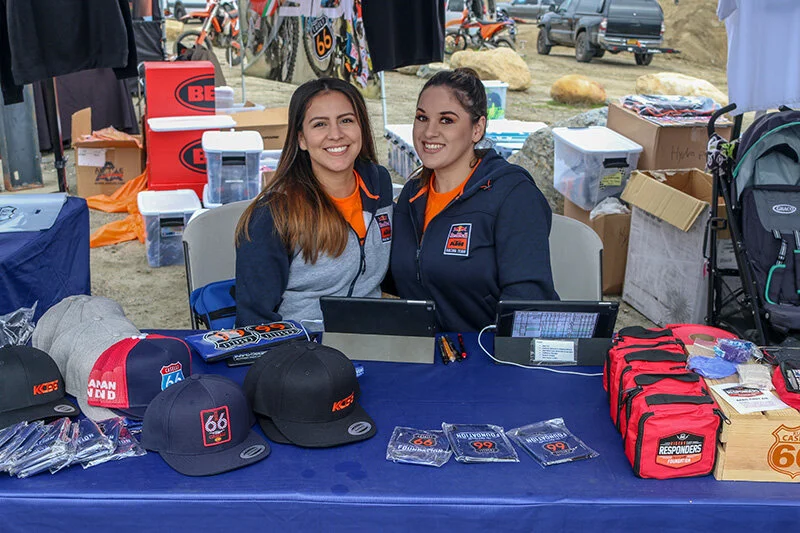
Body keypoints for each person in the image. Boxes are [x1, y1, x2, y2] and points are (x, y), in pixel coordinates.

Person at [389, 68, 558, 332]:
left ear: (477, 129)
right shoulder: (412, 193)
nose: (429, 132)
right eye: (422, 118)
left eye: (446, 120)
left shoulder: (514, 195)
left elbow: (527, 307)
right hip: (423, 348)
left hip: (488, 350)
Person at [235, 78, 393, 328]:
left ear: (361, 127)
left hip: (371, 337)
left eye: (346, 120)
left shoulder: (378, 182)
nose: (336, 134)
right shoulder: (273, 214)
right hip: (303, 344)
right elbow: (254, 321)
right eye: (320, 124)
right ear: (301, 139)